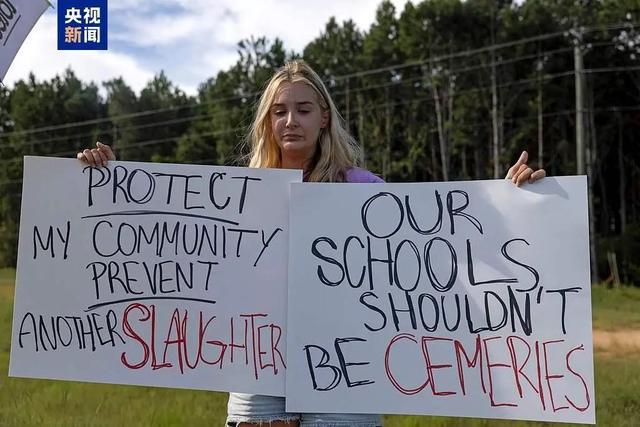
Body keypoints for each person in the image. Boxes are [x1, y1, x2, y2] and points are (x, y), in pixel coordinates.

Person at [78, 60, 545, 426]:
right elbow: (167, 241)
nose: (290, 121)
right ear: (266, 122)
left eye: (303, 109)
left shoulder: (362, 187)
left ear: (324, 117)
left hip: (347, 360)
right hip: (257, 359)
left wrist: (506, 198)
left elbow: (436, 236)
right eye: (278, 111)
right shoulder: (237, 195)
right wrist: (115, 180)